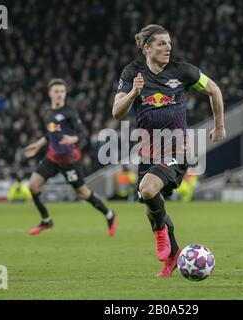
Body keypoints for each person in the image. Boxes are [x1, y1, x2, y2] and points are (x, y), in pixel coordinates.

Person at [112, 24, 226, 277]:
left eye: (169, 43)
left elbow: (214, 89)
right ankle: (173, 253)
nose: (168, 47)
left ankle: (162, 236)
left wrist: (219, 126)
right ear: (147, 48)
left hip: (177, 149)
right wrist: (134, 93)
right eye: (162, 43)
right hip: (147, 152)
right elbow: (116, 111)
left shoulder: (183, 71)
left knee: (147, 189)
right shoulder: (132, 72)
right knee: (151, 205)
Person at [25, 78, 117, 236]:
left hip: (69, 161)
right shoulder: (48, 113)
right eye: (56, 91)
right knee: (33, 186)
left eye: (62, 91)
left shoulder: (69, 112)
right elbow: (50, 133)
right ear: (50, 93)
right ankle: (46, 220)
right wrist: (38, 145)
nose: (59, 94)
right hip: (52, 158)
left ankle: (109, 214)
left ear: (65, 93)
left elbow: (83, 133)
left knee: (83, 193)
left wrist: (72, 139)